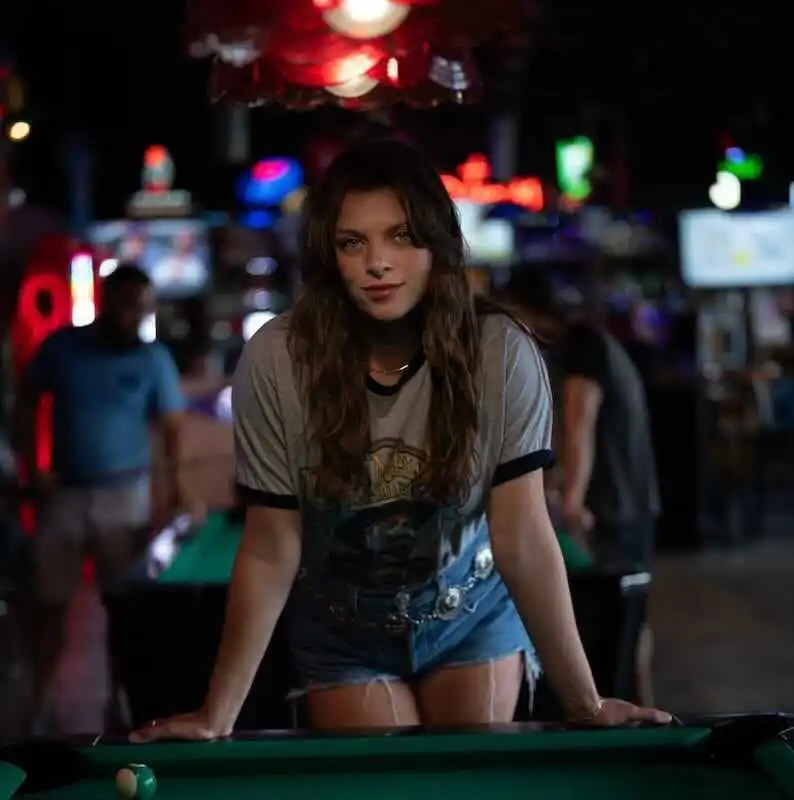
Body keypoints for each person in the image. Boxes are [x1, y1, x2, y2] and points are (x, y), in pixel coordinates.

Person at [132, 139, 670, 742]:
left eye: (401, 236)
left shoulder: (501, 353)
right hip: (340, 630)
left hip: (472, 614)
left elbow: (522, 534)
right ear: (327, 257)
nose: (377, 263)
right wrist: (216, 716)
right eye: (352, 242)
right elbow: (269, 546)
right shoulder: (276, 361)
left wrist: (586, 703)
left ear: (437, 245)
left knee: (465, 784)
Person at [13, 263, 199, 729]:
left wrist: (174, 488)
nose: (135, 315)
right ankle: (37, 708)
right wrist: (31, 467)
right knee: (49, 603)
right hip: (67, 495)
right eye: (128, 304)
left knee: (125, 610)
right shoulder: (63, 347)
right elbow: (26, 399)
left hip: (126, 495)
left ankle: (120, 705)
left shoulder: (153, 358)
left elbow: (172, 429)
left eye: (143, 307)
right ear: (106, 301)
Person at [507, 266, 661, 706]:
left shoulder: (583, 346)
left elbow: (579, 424)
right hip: (628, 499)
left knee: (620, 616)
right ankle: (638, 705)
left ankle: (633, 709)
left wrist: (571, 500)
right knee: (629, 614)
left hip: (612, 504)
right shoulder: (583, 343)